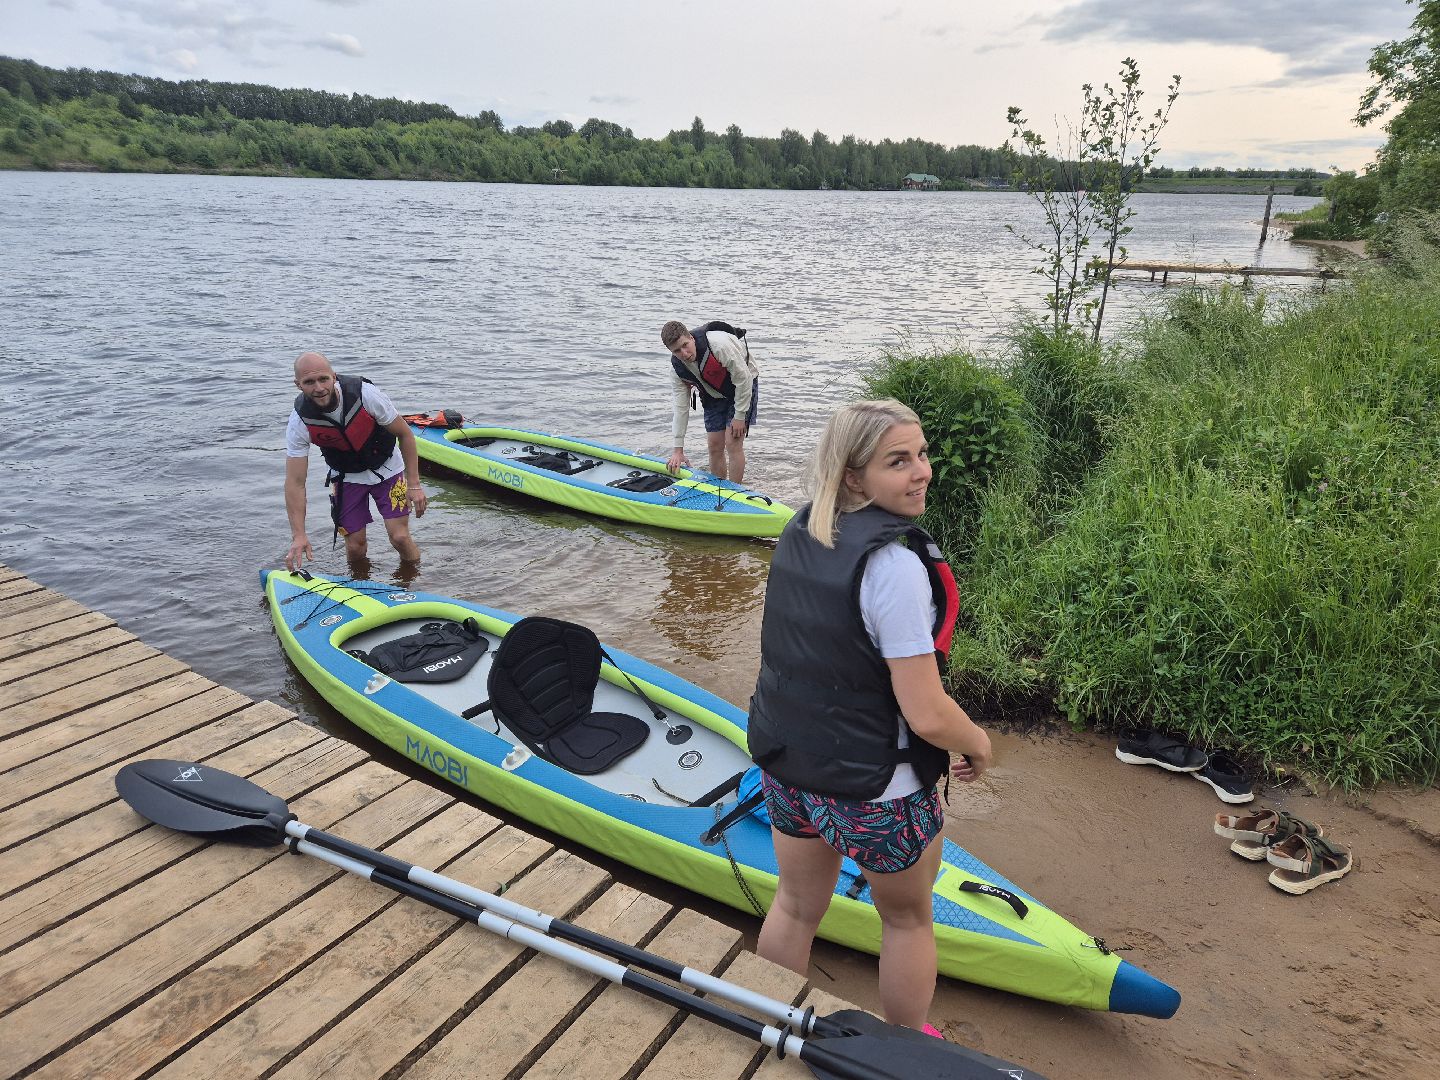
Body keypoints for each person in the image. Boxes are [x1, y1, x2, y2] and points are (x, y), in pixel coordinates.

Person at [747, 399, 992, 1035]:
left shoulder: (802, 529)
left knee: (797, 905)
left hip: (788, 767)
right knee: (907, 920)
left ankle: (769, 1020)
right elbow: (927, 712)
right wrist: (978, 742)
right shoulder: (894, 566)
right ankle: (906, 1044)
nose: (923, 472)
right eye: (898, 461)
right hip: (877, 790)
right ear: (855, 477)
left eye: (923, 454)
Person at [283, 351, 427, 571]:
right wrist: (299, 535)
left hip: (387, 469)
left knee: (399, 537)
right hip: (346, 477)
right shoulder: (299, 421)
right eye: (309, 382)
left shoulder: (366, 395)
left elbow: (405, 435)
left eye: (323, 379)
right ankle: (359, 588)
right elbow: (295, 482)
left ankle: (415, 583)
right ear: (298, 385)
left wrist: (414, 484)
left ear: (334, 376)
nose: (319, 388)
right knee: (355, 547)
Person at [661, 319, 759, 483]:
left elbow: (744, 379)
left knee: (732, 442)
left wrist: (740, 415)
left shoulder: (719, 346)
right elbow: (681, 408)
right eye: (677, 350)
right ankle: (718, 489)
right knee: (714, 445)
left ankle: (735, 493)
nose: (684, 353)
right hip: (712, 391)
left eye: (685, 345)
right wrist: (678, 450)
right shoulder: (677, 371)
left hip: (743, 383)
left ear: (691, 338)